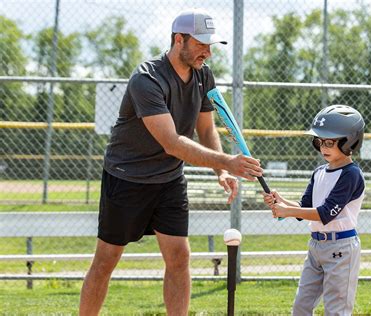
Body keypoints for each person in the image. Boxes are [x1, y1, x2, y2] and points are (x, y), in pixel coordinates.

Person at [79, 8, 263, 316]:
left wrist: (220, 170)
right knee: (106, 259)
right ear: (179, 40)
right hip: (128, 177)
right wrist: (228, 162)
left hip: (169, 179)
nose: (208, 51)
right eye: (202, 44)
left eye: (211, 45)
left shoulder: (203, 73)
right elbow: (172, 142)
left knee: (179, 256)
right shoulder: (146, 79)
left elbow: (205, 128)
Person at [263, 104, 365, 315]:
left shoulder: (351, 174)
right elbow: (305, 208)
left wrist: (286, 211)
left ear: (350, 142)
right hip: (316, 246)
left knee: (335, 309)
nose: (323, 147)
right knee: (301, 306)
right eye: (319, 142)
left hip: (341, 247)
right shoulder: (319, 171)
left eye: (330, 142)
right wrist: (282, 202)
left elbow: (326, 213)